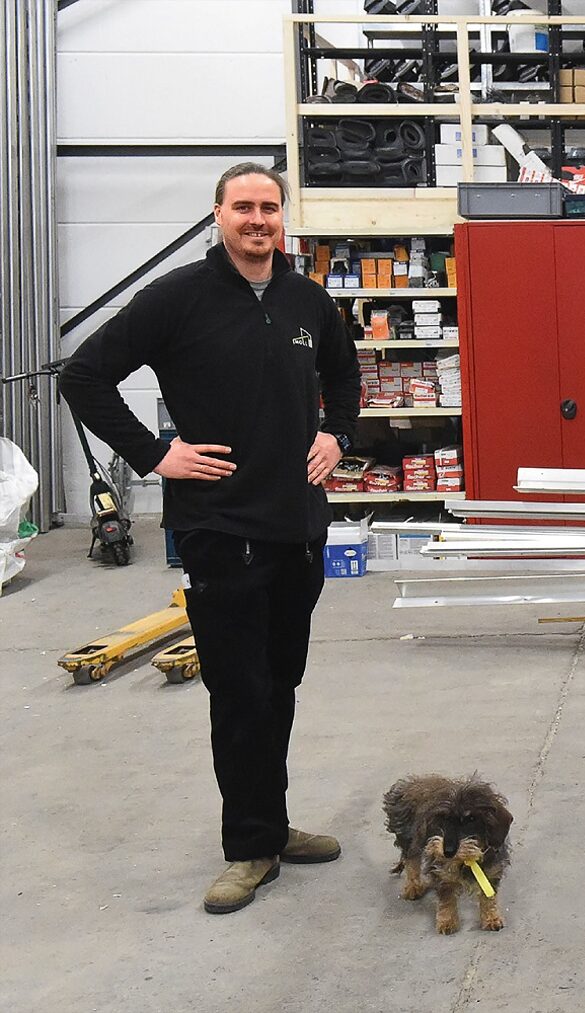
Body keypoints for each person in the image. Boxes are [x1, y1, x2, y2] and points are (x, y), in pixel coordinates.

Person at [60, 163, 360, 914]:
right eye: (244, 207)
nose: (258, 219)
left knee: (280, 685)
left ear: (282, 218)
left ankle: (274, 820)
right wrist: (156, 454)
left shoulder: (307, 300)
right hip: (219, 530)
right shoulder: (176, 299)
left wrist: (337, 434)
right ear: (218, 215)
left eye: (269, 208)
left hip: (296, 529)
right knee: (237, 694)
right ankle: (250, 846)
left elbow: (346, 377)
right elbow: (85, 374)